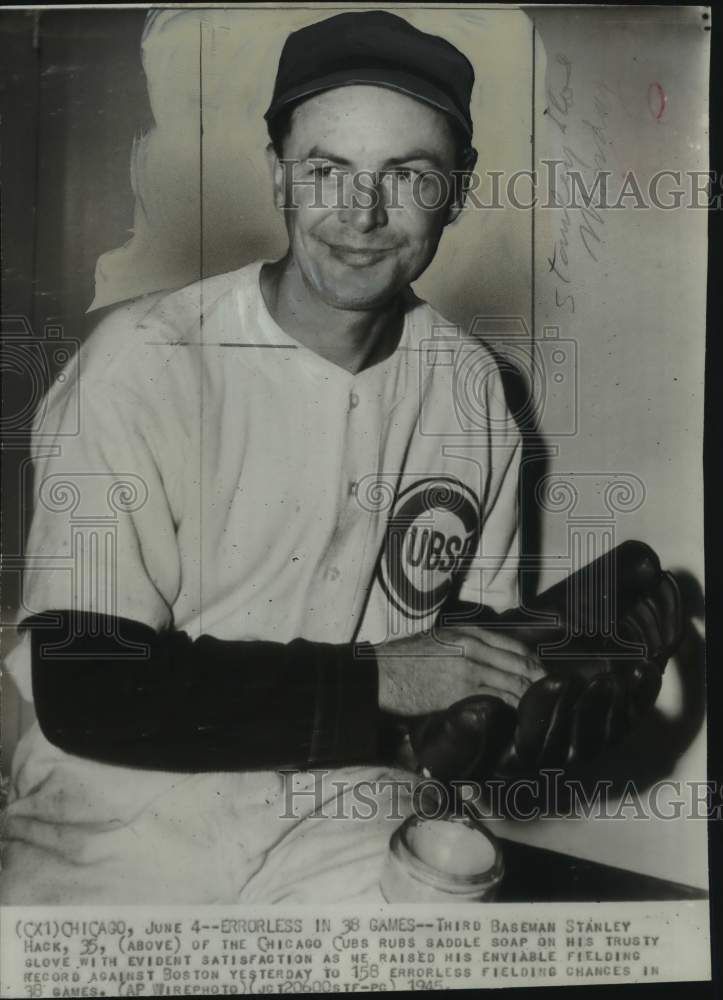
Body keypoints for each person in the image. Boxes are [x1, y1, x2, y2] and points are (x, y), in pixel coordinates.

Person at [0, 9, 543, 904]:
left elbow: (467, 662)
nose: (362, 215)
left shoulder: (472, 390)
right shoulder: (143, 361)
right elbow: (86, 688)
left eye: (408, 174)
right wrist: (385, 677)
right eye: (326, 170)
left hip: (349, 812)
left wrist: (552, 668)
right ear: (276, 176)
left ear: (458, 189)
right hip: (121, 821)